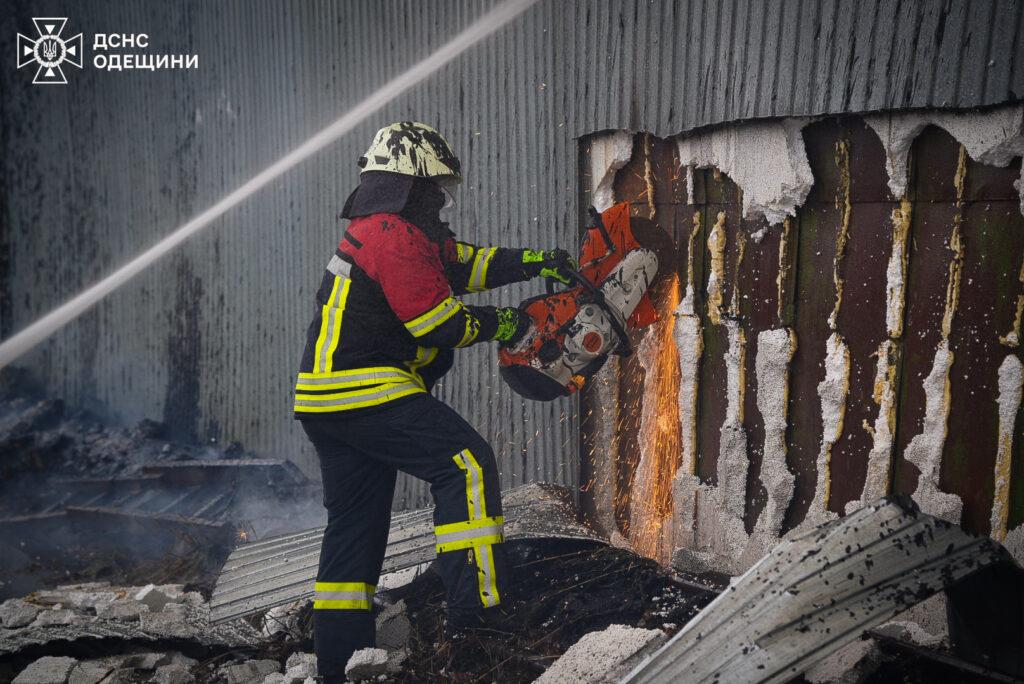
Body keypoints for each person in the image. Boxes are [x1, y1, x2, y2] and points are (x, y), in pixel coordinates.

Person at [293, 121, 574, 680]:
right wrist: (509, 322)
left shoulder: (392, 233)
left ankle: (340, 664)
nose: (442, 200)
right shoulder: (391, 235)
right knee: (466, 466)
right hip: (365, 389)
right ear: (409, 186)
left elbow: (467, 264)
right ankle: (479, 620)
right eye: (435, 188)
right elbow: (436, 323)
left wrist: (539, 262)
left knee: (355, 527)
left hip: (325, 402)